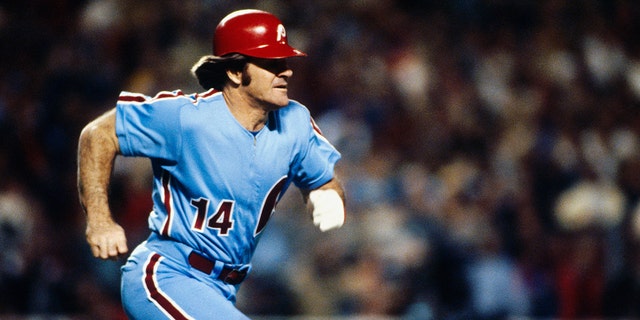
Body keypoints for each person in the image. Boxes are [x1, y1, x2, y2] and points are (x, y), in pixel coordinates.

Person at [77, 9, 346, 319]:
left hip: (222, 290)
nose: (286, 72)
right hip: (168, 275)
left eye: (284, 62)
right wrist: (99, 218)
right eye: (271, 63)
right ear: (234, 72)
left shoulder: (295, 122)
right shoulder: (186, 117)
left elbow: (324, 181)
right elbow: (98, 134)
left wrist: (327, 197)